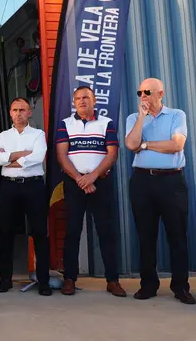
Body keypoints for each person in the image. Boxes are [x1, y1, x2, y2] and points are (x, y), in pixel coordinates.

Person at [125, 78, 195, 305]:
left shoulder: (177, 115)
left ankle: (181, 287)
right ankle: (148, 285)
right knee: (145, 236)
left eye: (147, 92)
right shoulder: (134, 119)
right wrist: (142, 119)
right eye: (140, 93)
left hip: (171, 181)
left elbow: (176, 145)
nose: (143, 96)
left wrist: (145, 145)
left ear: (160, 93)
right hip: (142, 182)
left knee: (177, 235)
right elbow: (130, 144)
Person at [55, 86, 125, 297]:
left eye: (86, 97)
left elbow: (112, 154)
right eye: (77, 98)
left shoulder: (106, 123)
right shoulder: (65, 124)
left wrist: (92, 177)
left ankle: (112, 280)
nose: (82, 101)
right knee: (72, 232)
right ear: (73, 103)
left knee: (106, 232)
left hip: (100, 183)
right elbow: (61, 155)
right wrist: (80, 179)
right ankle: (69, 279)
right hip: (75, 184)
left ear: (94, 100)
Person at [0, 97, 50, 296]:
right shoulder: (3, 136)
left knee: (40, 233)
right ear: (10, 112)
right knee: (6, 233)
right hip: (9, 187)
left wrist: (11, 160)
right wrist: (21, 154)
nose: (18, 113)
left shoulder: (38, 134)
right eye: (15, 110)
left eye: (22, 110)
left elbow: (38, 157)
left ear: (29, 112)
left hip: (33, 186)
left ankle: (44, 281)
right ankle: (5, 279)